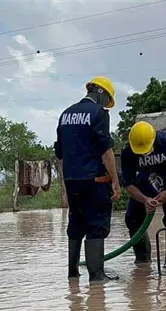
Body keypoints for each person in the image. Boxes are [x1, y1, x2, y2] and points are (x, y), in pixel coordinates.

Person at [54, 76, 121, 282]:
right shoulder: (98, 113)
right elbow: (105, 149)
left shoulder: (65, 114)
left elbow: (60, 153)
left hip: (72, 180)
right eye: (107, 99)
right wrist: (115, 181)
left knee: (76, 223)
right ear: (101, 93)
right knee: (96, 223)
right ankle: (97, 275)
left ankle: (72, 274)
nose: (106, 105)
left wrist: (65, 184)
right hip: (95, 180)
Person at [120, 121, 166, 266]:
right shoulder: (127, 151)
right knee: (132, 219)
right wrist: (144, 200)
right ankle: (143, 260)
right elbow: (128, 184)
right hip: (146, 184)